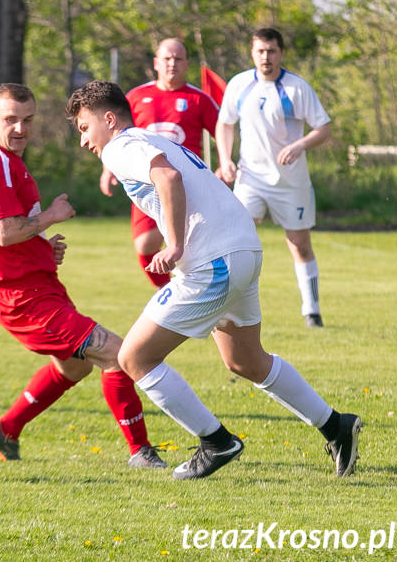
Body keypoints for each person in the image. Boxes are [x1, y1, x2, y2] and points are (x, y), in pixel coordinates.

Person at [66, 80, 360, 479]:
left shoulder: (121, 146)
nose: (84, 141)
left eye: (84, 128)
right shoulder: (150, 138)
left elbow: (168, 179)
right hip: (243, 250)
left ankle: (217, 442)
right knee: (245, 360)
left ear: (108, 118)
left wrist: (175, 246)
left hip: (213, 261)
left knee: (134, 357)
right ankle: (336, 427)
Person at [0, 83, 164, 468]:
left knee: (75, 366)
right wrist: (51, 217)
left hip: (37, 285)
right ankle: (140, 452)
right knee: (118, 355)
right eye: (10, 120)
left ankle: (4, 429)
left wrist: (40, 244)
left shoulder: (0, 157)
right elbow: (3, 233)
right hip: (22, 297)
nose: (20, 129)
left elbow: (12, 230)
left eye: (28, 120)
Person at [215, 28, 332, 328]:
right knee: (238, 240)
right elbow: (225, 124)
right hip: (250, 179)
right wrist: (225, 160)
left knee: (299, 244)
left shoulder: (297, 88)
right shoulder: (240, 84)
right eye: (260, 51)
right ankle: (230, 310)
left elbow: (324, 129)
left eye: (271, 51)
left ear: (281, 53)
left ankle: (312, 311)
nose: (265, 57)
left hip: (290, 183)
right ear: (252, 53)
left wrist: (300, 144)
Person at [99, 38, 220, 289]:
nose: (172, 64)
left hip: (185, 185)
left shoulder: (198, 99)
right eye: (167, 58)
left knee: (189, 247)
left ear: (187, 63)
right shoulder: (137, 96)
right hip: (146, 184)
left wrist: (225, 163)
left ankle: (191, 294)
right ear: (156, 63)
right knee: (145, 245)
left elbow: (224, 133)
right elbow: (115, 135)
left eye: (178, 59)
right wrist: (107, 169)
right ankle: (171, 292)